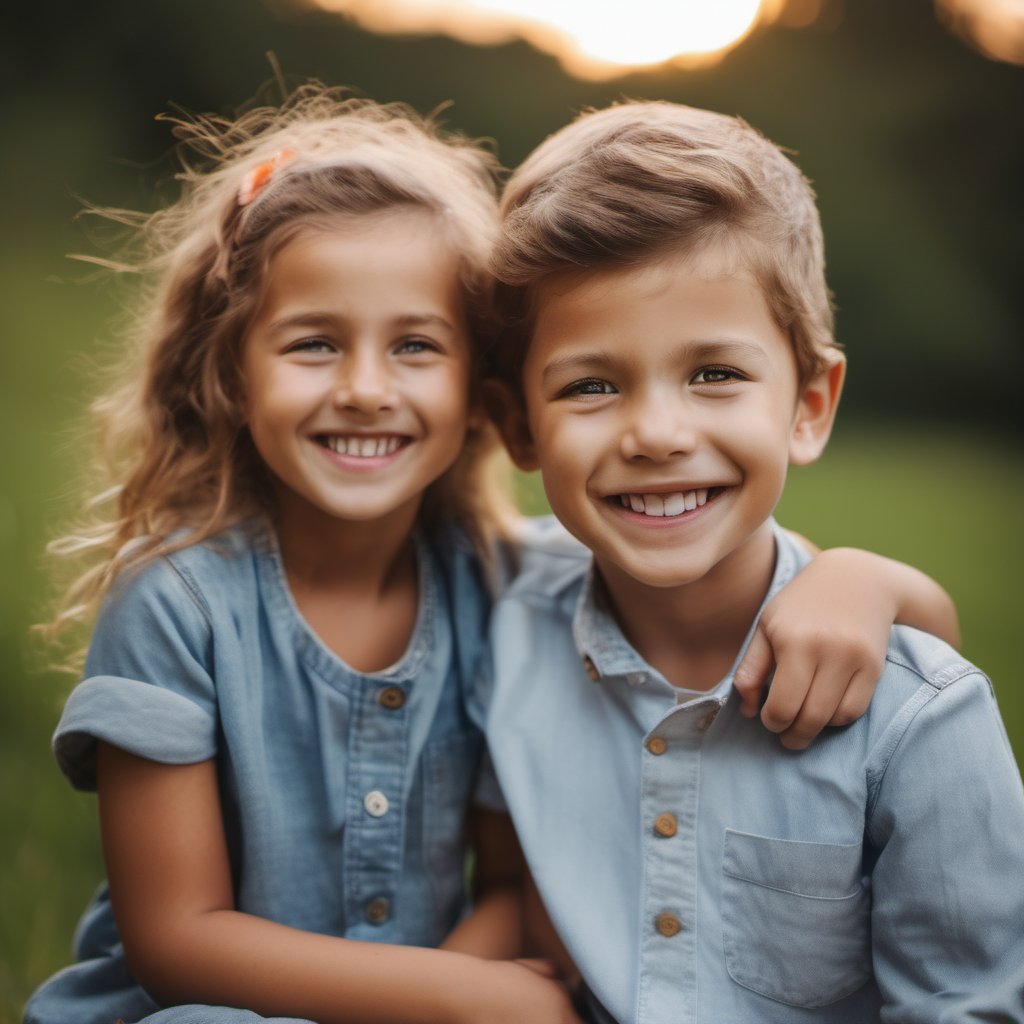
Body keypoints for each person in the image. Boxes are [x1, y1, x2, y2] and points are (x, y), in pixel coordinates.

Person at [26, 84, 961, 1024]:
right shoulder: (175, 604)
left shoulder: (502, 581)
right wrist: (465, 995)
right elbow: (173, 943)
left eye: (416, 346)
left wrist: (860, 579)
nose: (363, 388)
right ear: (231, 371)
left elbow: (517, 878)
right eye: (313, 344)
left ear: (479, 390)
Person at [482, 100, 1024, 1024]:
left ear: (810, 404)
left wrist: (870, 578)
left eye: (715, 374)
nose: (657, 433)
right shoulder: (498, 605)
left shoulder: (919, 720)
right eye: (592, 385)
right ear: (519, 428)